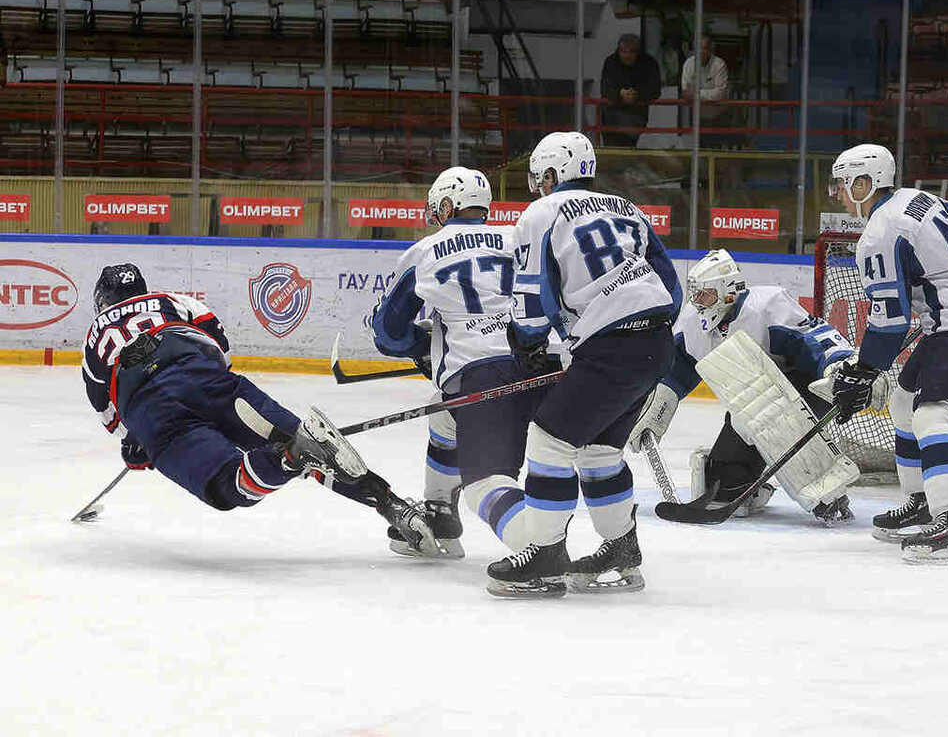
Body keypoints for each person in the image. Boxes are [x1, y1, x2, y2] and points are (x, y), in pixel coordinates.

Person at [81, 263, 434, 550]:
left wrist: (136, 441)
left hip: (155, 410)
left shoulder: (96, 333)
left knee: (226, 486)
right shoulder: (172, 301)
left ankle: (289, 457)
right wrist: (208, 389)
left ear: (102, 301)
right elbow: (219, 346)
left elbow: (108, 414)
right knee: (316, 449)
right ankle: (393, 505)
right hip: (209, 379)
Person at [489, 130, 681, 598]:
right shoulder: (627, 208)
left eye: (541, 176)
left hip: (613, 348)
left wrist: (528, 345)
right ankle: (621, 549)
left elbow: (531, 293)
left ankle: (545, 555)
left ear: (553, 173)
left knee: (549, 441)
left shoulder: (541, 213)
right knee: (599, 452)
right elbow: (671, 287)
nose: (539, 185)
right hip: (656, 344)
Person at [825, 143, 948, 565]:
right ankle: (922, 503)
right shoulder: (915, 198)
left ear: (863, 183)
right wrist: (939, 281)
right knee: (904, 403)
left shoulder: (878, 234)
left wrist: (863, 370)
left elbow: (890, 320)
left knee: (932, 415)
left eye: (841, 184)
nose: (837, 194)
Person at [367, 166, 555, 559]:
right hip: (548, 365)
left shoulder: (426, 251)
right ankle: (439, 516)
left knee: (486, 483)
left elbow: (388, 333)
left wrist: (423, 345)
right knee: (443, 415)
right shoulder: (518, 237)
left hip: (485, 375)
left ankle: (540, 553)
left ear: (448, 206)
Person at [627, 249, 874, 524]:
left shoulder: (766, 306)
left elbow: (813, 339)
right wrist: (657, 408)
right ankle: (754, 487)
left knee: (774, 415)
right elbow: (676, 371)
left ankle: (829, 492)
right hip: (750, 408)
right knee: (723, 485)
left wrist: (838, 366)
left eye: (705, 295)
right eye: (695, 295)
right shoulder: (694, 323)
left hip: (803, 394)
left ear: (728, 291)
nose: (698, 303)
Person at [599, 34, 662, 148]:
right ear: (618, 51)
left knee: (627, 150)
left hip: (635, 118)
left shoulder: (649, 63)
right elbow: (605, 88)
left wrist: (637, 94)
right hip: (611, 118)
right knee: (613, 150)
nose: (627, 55)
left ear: (638, 52)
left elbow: (655, 89)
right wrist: (619, 94)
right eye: (623, 51)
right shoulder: (611, 62)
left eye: (632, 52)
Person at [680, 36, 731, 148]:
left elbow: (720, 93)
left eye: (705, 48)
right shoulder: (689, 64)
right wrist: (708, 94)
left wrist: (696, 94)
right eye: (699, 48)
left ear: (710, 50)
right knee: (699, 150)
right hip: (698, 117)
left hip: (718, 117)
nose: (702, 52)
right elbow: (685, 93)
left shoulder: (719, 64)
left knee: (717, 150)